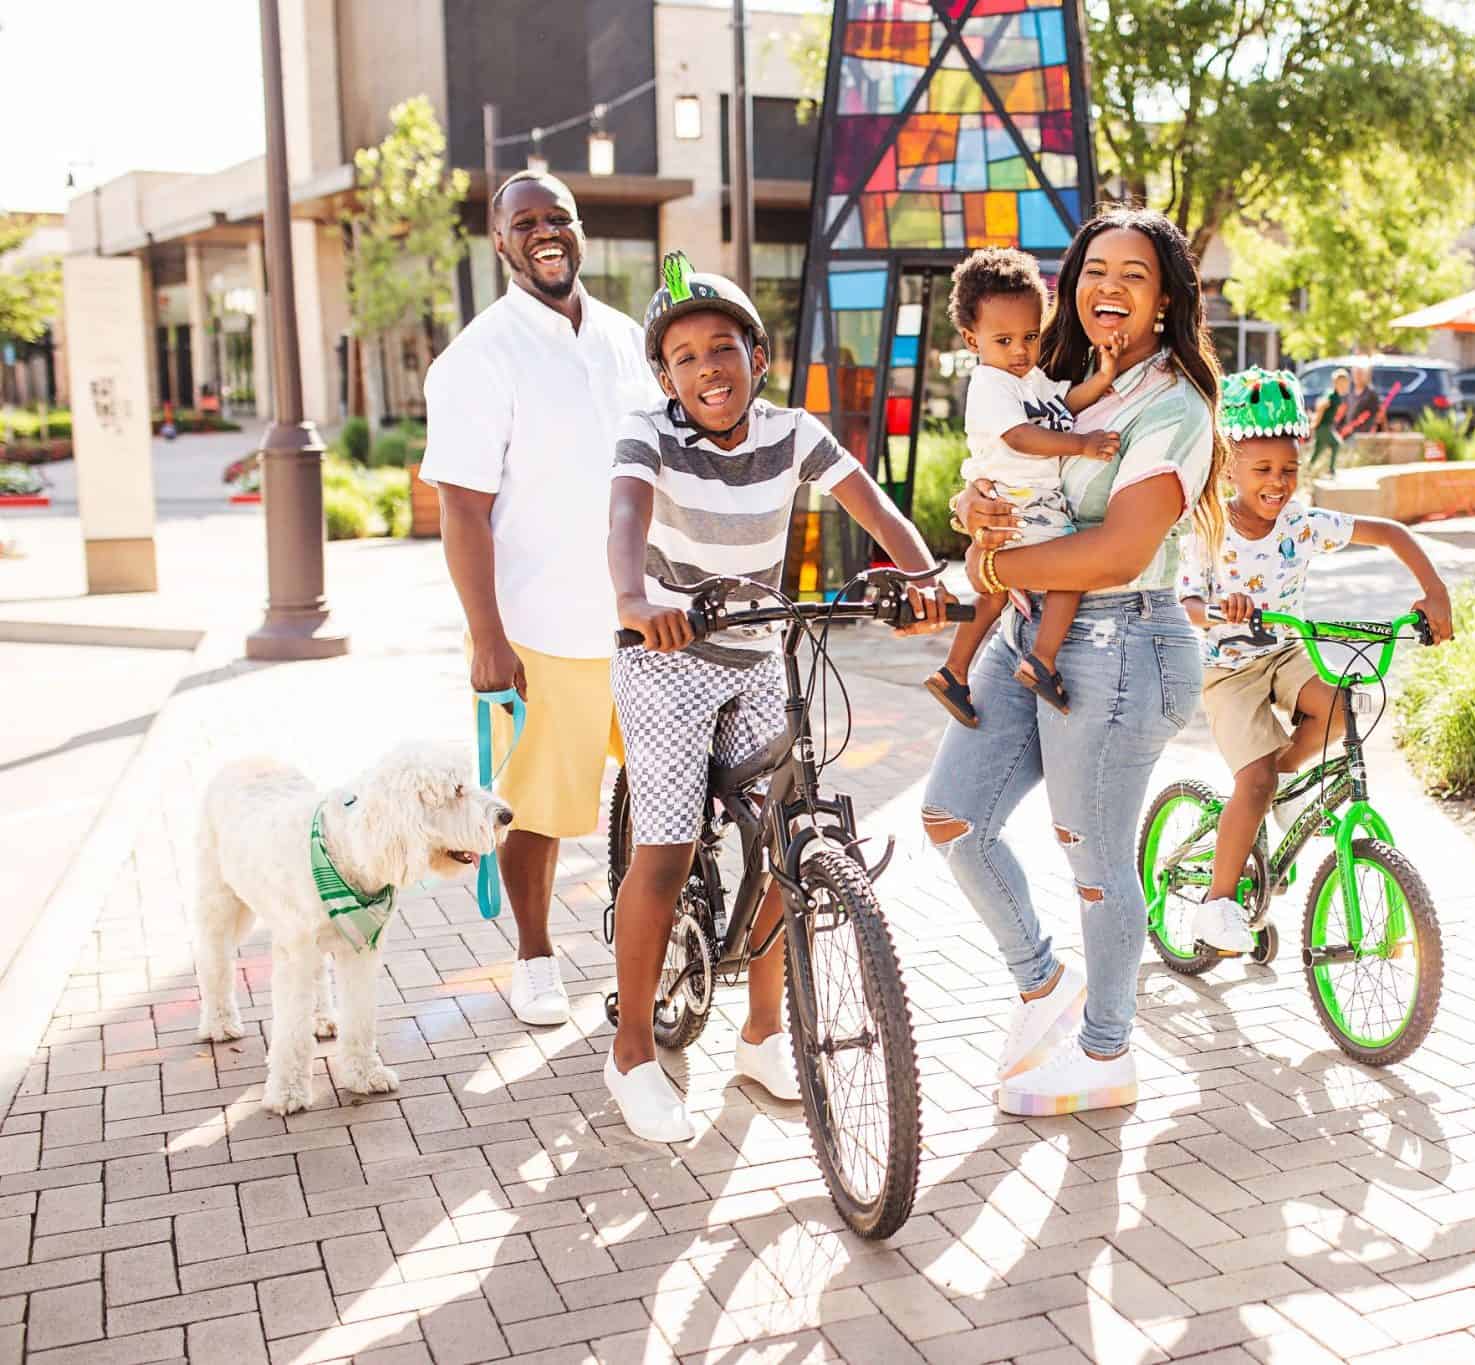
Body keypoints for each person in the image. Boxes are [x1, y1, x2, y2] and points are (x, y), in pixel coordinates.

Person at [604, 252, 948, 1141]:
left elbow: (871, 504)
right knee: (669, 853)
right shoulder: (649, 435)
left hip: (759, 649)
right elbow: (626, 521)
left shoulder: (794, 431)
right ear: (665, 377)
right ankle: (634, 1051)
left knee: (785, 826)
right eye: (684, 357)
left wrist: (921, 577)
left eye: (724, 347)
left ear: (758, 355)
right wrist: (637, 601)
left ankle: (764, 1032)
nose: (707, 368)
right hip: (667, 650)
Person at [924, 205, 1221, 1117]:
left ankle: (1107, 1049)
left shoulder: (1172, 406)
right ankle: (1043, 982)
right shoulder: (1052, 381)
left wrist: (992, 564)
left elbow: (1115, 554)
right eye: (1095, 270)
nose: (1109, 289)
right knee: (951, 819)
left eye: (1133, 274)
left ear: (1167, 297)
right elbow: (1002, 475)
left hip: (1122, 641)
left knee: (1094, 862)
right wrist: (972, 505)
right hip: (1029, 631)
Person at [420, 171, 661, 1030]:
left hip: (646, 623)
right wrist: (487, 635)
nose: (545, 231)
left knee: (674, 795)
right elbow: (462, 508)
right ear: (500, 241)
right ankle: (533, 956)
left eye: (558, 216)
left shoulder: (634, 338)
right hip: (540, 630)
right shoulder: (477, 358)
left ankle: (660, 954)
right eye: (526, 221)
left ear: (579, 228)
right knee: (536, 808)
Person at [1177, 369, 1453, 954]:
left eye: (1288, 470)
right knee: (1249, 781)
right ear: (1228, 468)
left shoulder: (1301, 523)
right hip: (1228, 668)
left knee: (1350, 705)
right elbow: (1188, 602)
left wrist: (1434, 592)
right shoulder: (1210, 525)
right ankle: (1217, 903)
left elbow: (1392, 534)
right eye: (1262, 471)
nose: (1277, 483)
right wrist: (1220, 610)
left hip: (1286, 649)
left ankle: (1275, 786)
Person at [924, 247, 1122, 728]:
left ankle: (953, 671)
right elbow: (1020, 436)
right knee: (1071, 573)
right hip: (1021, 504)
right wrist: (1081, 445)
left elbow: (1065, 403)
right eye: (1004, 339)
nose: (1019, 350)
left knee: (994, 594)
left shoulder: (1029, 379)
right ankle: (1042, 661)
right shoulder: (991, 384)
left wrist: (1105, 377)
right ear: (973, 340)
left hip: (1025, 505)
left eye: (1030, 336)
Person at [1307, 368, 1351, 475]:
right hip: (1323, 427)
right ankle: (1331, 470)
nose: (1345, 386)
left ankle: (1307, 470)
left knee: (1318, 450)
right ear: (1336, 383)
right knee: (1336, 444)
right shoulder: (1333, 396)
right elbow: (1321, 406)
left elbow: (1319, 403)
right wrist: (1315, 422)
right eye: (1342, 383)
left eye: (1346, 383)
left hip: (1324, 427)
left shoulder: (1332, 394)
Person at [1336, 364, 1380, 440]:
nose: (1357, 377)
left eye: (1360, 374)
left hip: (1363, 434)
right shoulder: (1350, 392)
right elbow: (1344, 410)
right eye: (1355, 374)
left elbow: (1374, 414)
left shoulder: (1371, 394)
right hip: (1349, 433)